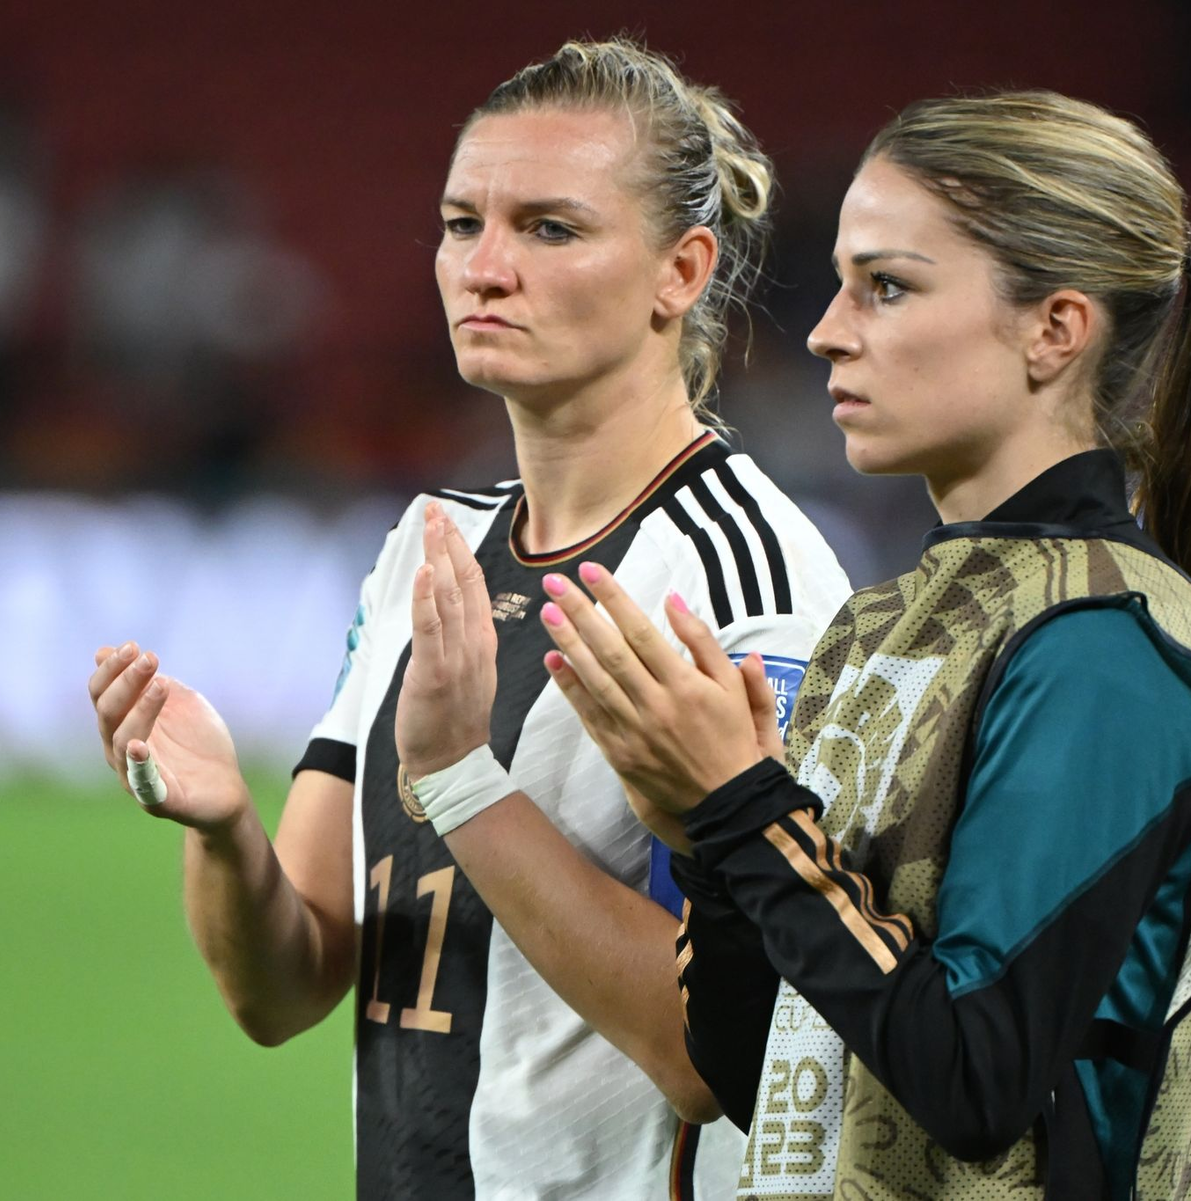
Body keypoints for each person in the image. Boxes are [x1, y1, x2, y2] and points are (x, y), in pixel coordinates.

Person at [87, 39, 852, 1200]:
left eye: (551, 228)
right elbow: (283, 986)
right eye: (460, 223)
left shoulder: (747, 581)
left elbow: (716, 1048)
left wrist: (458, 778)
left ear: (681, 271)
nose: (485, 267)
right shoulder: (427, 545)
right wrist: (224, 829)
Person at [532, 90, 1191, 1200]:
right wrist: (710, 838)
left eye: (887, 286)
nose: (828, 330)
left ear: (1055, 329)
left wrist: (746, 810)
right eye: (842, 282)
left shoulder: (1104, 643)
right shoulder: (879, 622)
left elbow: (978, 1078)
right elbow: (765, 1075)